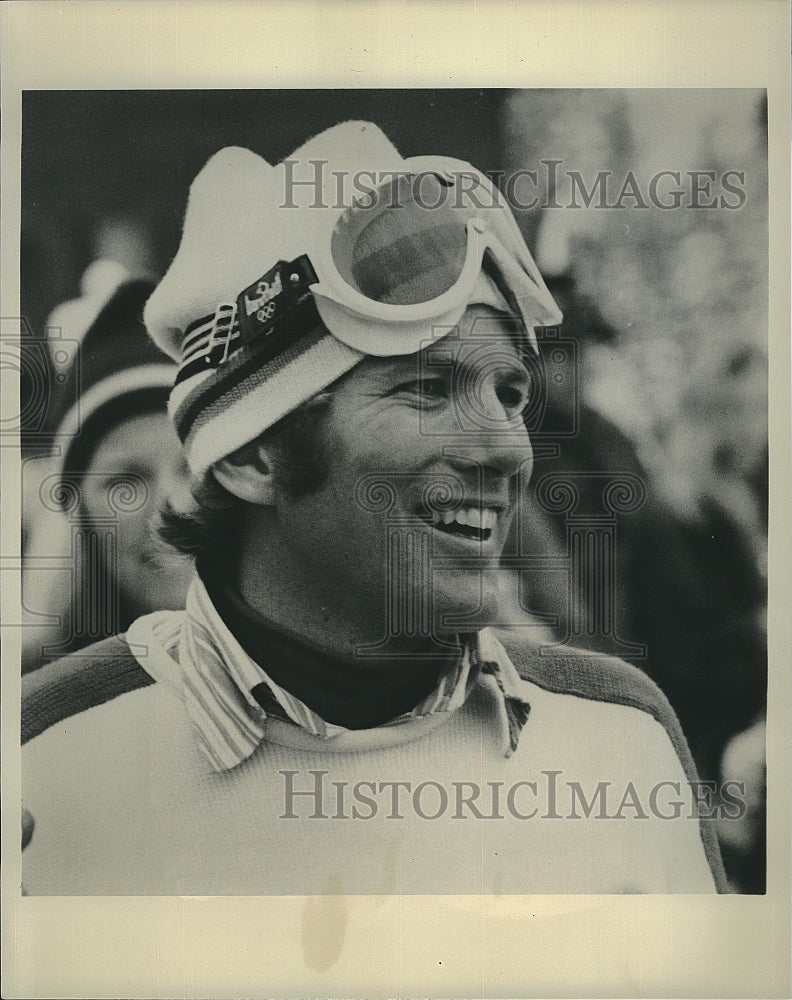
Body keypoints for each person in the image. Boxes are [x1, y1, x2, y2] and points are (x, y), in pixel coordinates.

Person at [21, 122, 727, 895]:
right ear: (252, 456)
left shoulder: (620, 734)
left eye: (509, 393)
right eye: (426, 389)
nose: (507, 449)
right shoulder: (43, 761)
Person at [21, 276, 194, 674]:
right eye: (125, 482)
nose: (172, 506)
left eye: (191, 469)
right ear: (76, 518)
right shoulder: (31, 700)